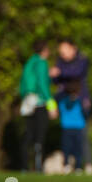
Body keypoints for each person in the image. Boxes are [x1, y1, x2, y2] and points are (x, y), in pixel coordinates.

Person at [50, 40, 92, 174]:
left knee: (82, 136)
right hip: (64, 102)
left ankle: (86, 164)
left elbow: (76, 73)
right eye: (60, 52)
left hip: (81, 101)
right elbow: (55, 80)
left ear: (73, 48)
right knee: (67, 137)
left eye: (65, 51)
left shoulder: (81, 60)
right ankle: (68, 163)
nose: (62, 55)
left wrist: (59, 72)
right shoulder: (61, 62)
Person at [19, 41, 55, 173]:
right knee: (39, 136)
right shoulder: (41, 63)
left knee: (28, 134)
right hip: (39, 102)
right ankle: (38, 167)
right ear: (44, 50)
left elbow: (23, 85)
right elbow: (42, 84)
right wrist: (51, 103)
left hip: (27, 101)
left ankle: (24, 166)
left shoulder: (29, 62)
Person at [55, 79, 88, 172]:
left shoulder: (64, 102)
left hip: (70, 127)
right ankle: (73, 166)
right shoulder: (78, 102)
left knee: (70, 148)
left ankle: (74, 166)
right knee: (72, 148)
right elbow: (86, 113)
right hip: (73, 127)